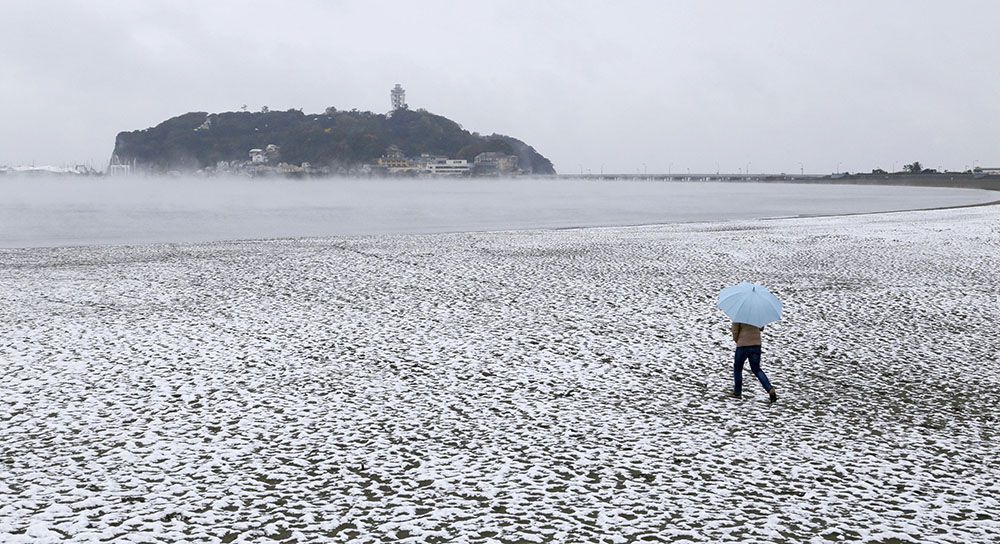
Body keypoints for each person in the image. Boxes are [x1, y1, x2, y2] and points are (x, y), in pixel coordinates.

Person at [730, 322, 777, 402]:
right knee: (756, 369)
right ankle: (769, 389)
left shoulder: (739, 314)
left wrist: (737, 340)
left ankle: (737, 393)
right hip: (756, 344)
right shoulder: (757, 313)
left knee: (738, 369)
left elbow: (735, 331)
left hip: (742, 345)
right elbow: (761, 327)